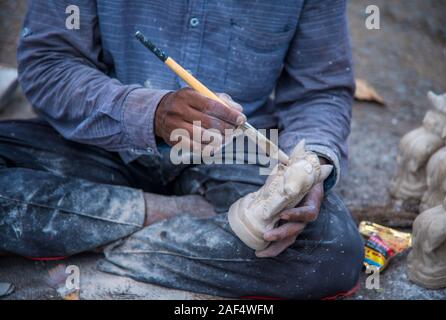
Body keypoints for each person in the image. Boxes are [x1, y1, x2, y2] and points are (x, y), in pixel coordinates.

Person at [0, 0, 364, 299]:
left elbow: (320, 92)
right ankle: (185, 221)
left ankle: (89, 227)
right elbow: (48, 64)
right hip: (105, 139)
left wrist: (312, 165)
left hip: (235, 155)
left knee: (335, 248)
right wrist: (150, 112)